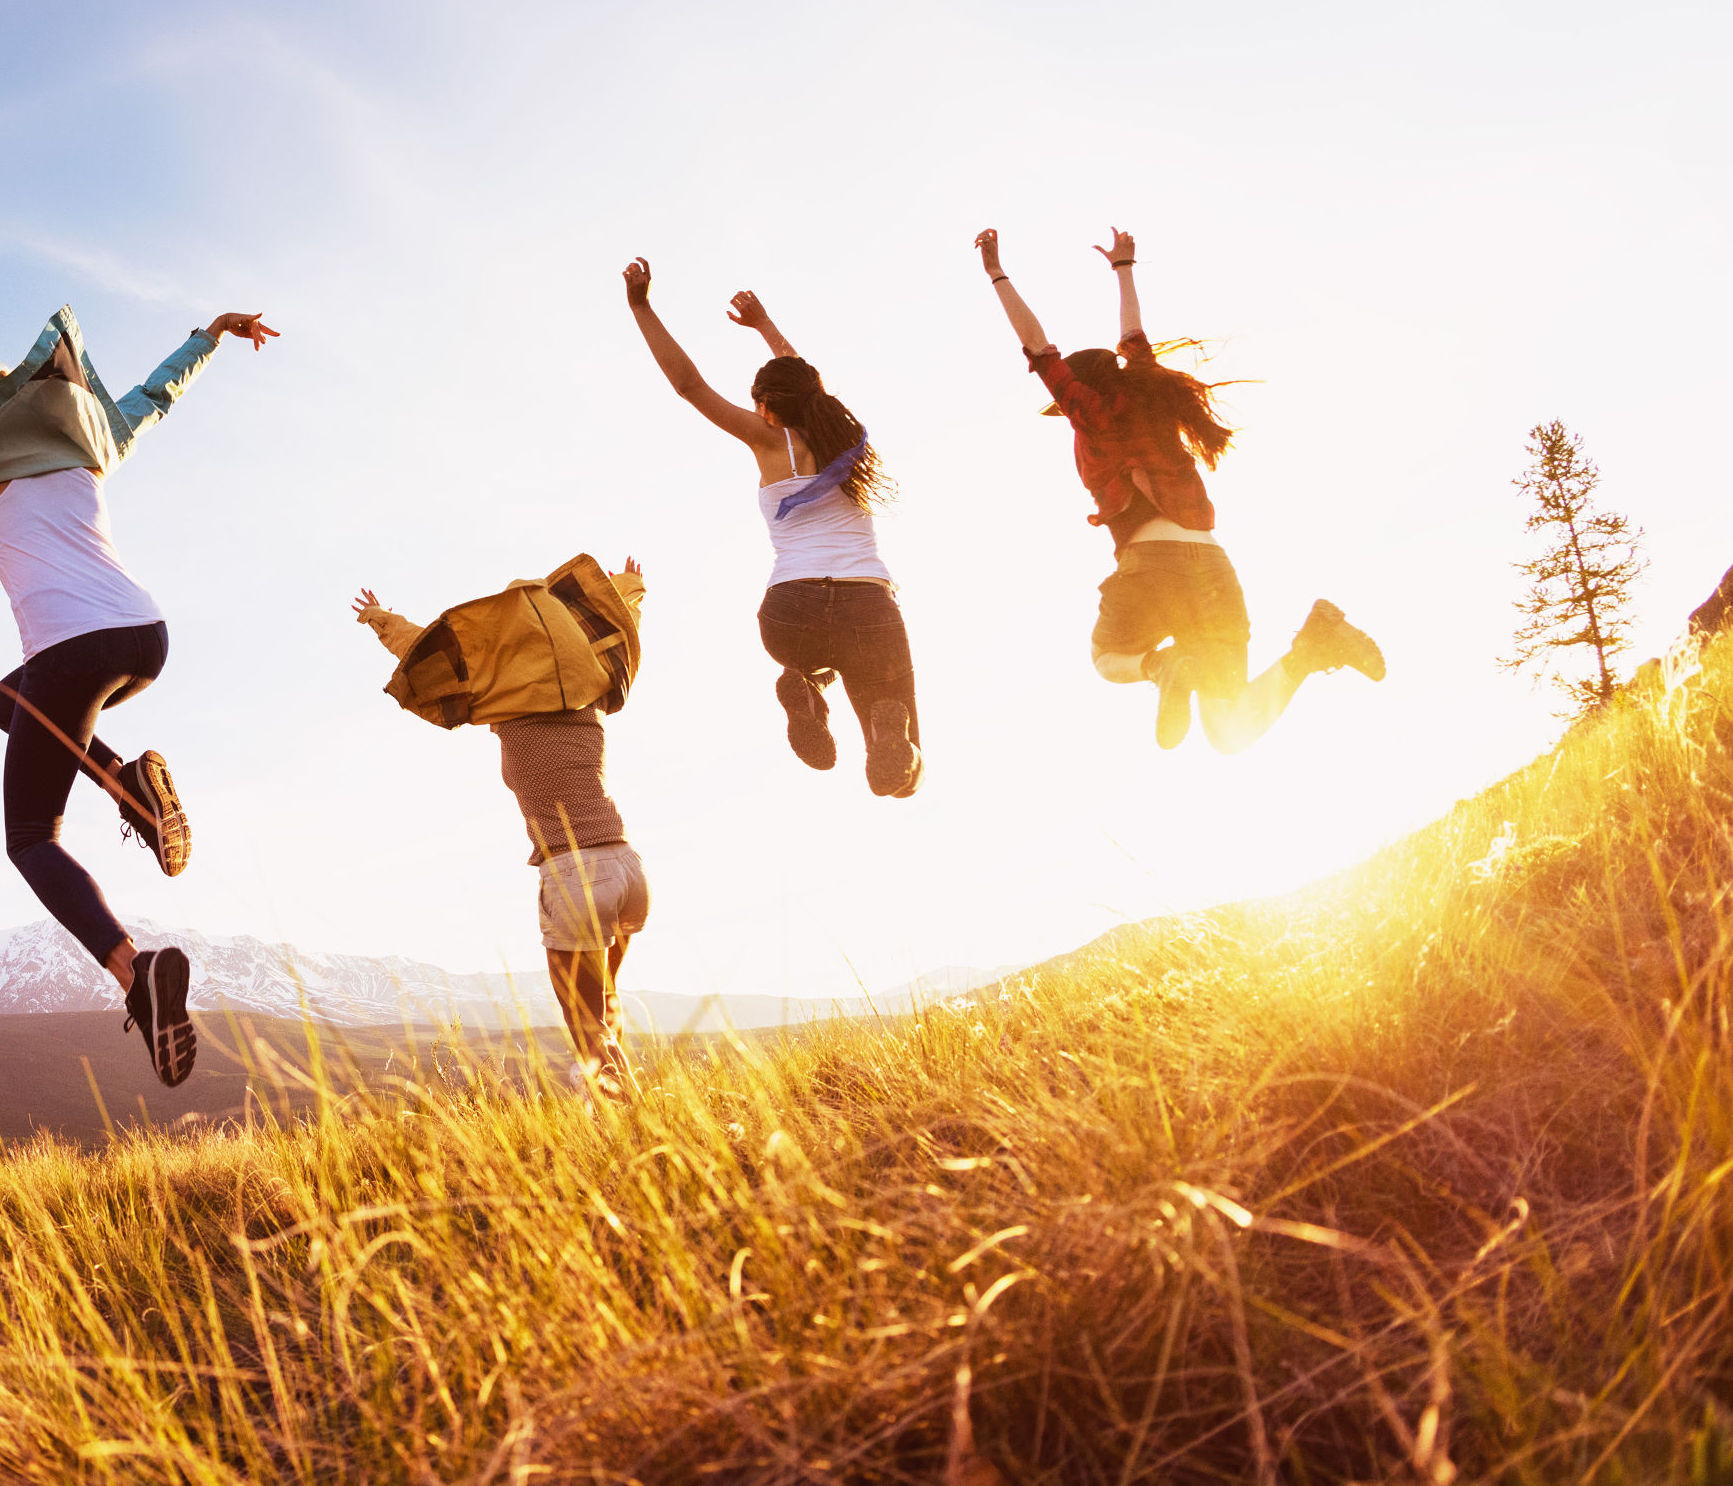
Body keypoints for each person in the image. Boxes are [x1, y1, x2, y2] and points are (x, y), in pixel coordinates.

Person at [0, 303, 277, 1089]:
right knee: (7, 703)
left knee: (31, 839)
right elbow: (155, 395)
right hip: (145, 638)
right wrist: (210, 334)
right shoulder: (90, 443)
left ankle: (135, 972)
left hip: (73, 653)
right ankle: (130, 787)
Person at [975, 226, 1383, 749]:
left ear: (1079, 389)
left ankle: (1161, 666)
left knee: (1107, 657)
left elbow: (1038, 346)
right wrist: (1123, 269)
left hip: (1152, 566)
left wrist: (998, 274)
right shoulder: (1152, 397)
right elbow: (1134, 337)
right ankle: (1313, 644)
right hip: (1212, 566)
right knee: (1229, 729)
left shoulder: (1091, 413)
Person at [354, 555, 652, 1099]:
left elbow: (431, 652)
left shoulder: (506, 700)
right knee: (604, 1007)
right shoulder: (590, 692)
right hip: (628, 868)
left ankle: (614, 1112)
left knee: (585, 1026)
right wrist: (629, 589)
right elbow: (614, 631)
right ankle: (634, 1109)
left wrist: (381, 619)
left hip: (575, 871)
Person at [622, 260, 922, 796]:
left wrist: (641, 306)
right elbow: (807, 383)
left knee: (814, 654)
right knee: (899, 774)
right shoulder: (845, 440)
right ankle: (883, 733)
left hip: (790, 611)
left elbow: (689, 385)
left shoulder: (767, 441)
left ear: (764, 408)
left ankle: (806, 686)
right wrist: (764, 325)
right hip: (869, 605)